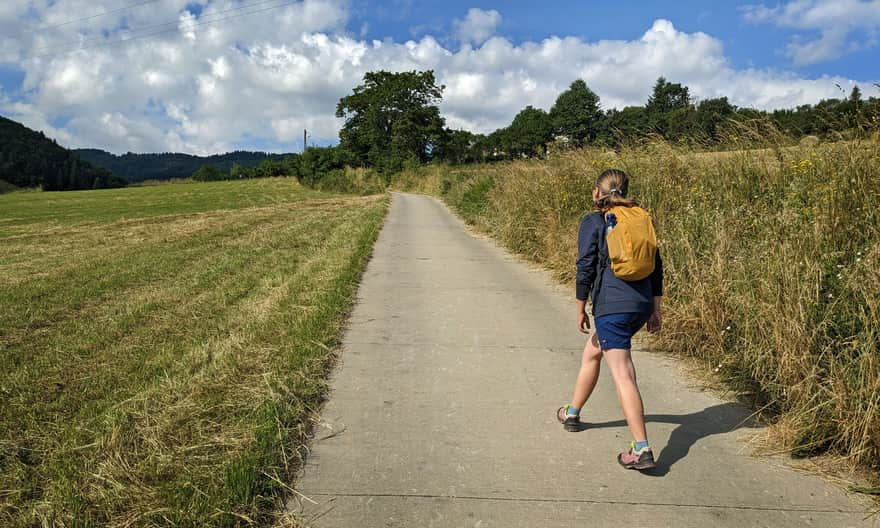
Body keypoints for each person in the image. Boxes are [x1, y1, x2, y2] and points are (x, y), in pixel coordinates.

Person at [556, 168, 663, 471]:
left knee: (623, 374)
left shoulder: (594, 221)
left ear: (596, 193)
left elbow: (585, 265)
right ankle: (572, 412)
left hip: (613, 308)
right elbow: (656, 266)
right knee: (593, 352)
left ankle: (641, 448)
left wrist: (580, 307)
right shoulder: (641, 218)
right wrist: (655, 309)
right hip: (639, 303)